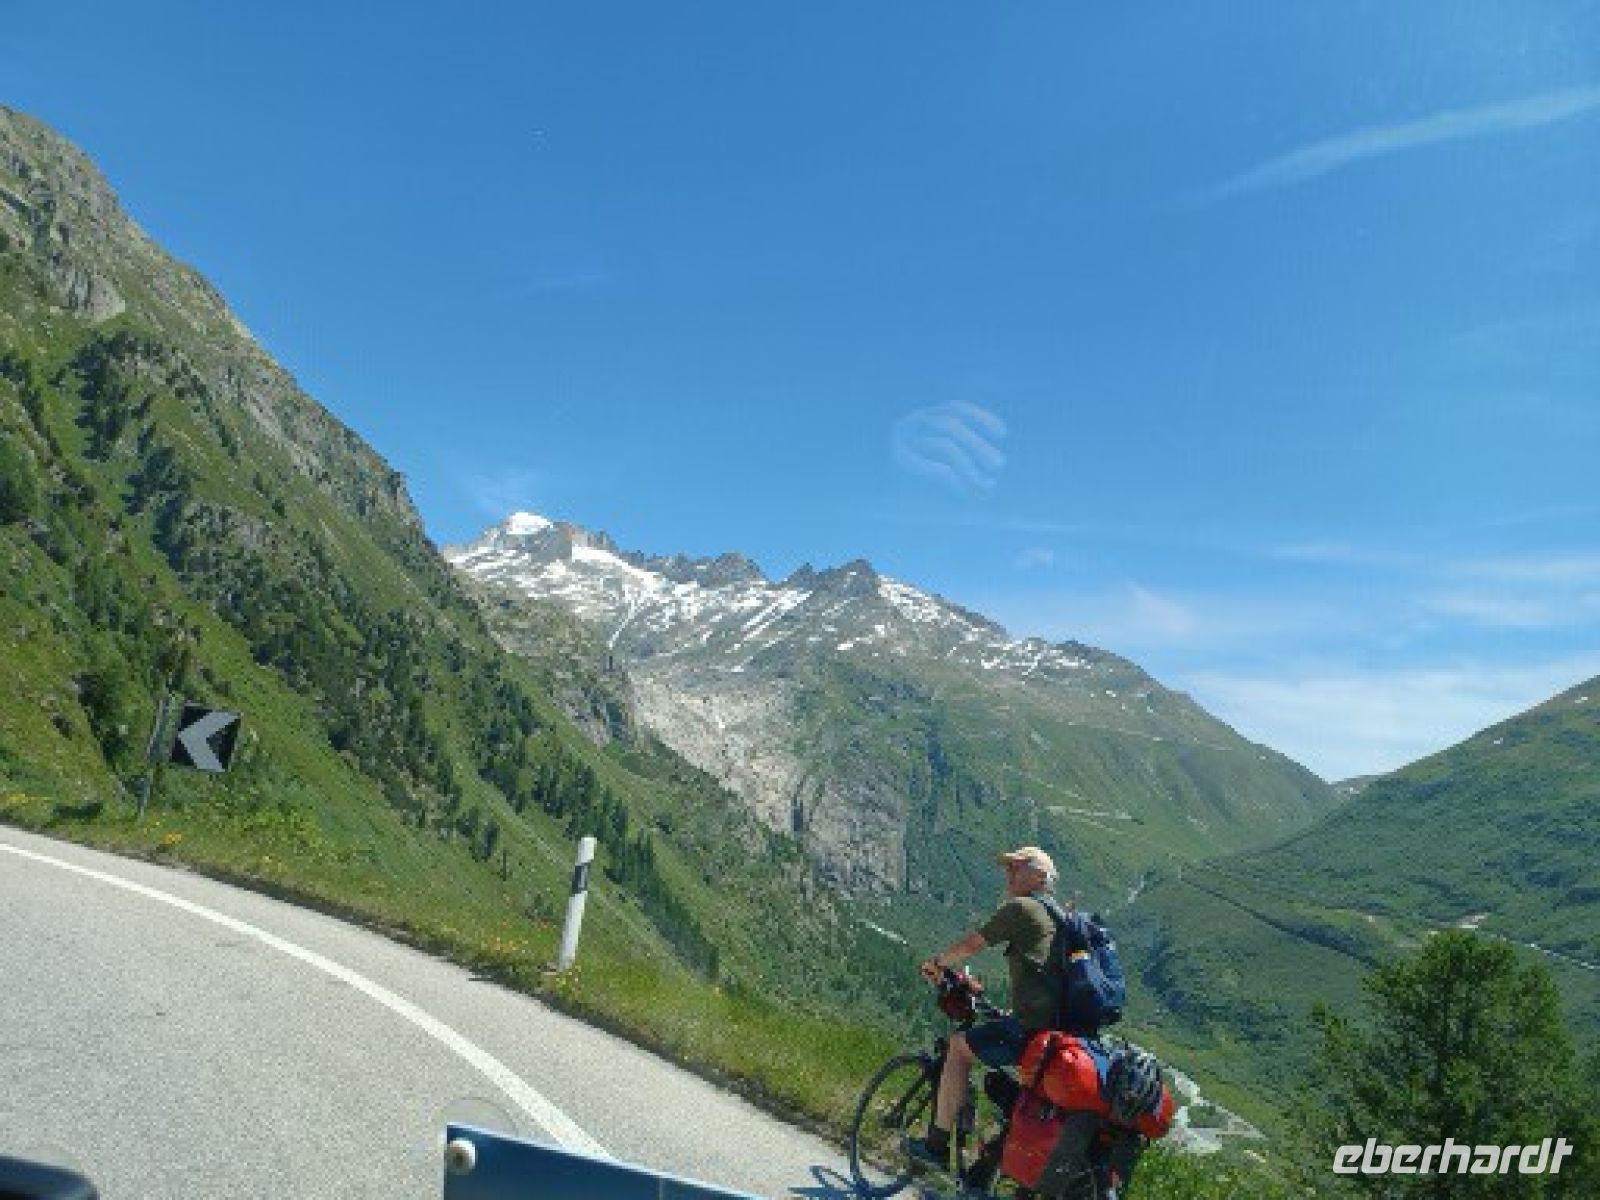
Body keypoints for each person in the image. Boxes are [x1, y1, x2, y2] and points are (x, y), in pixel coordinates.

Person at [906, 845, 1060, 1172]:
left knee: (958, 1048)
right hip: (1055, 1032)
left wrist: (937, 964)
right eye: (1008, 867)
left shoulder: (1023, 908)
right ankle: (983, 1163)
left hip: (1032, 1029)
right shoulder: (1059, 917)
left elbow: (972, 944)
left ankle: (935, 1146)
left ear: (1039, 877)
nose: (1009, 873)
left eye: (1017, 867)